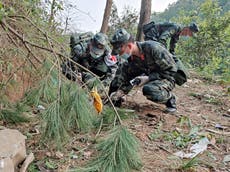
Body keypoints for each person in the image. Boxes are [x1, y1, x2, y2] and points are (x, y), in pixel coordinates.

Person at [109, 28, 178, 113]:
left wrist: (148, 78)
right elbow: (126, 78)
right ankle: (115, 102)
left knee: (150, 90)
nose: (119, 55)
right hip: (148, 76)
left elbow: (172, 71)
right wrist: (120, 91)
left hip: (166, 78)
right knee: (121, 72)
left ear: (130, 46)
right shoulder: (131, 59)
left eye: (121, 52)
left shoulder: (154, 49)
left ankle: (170, 99)